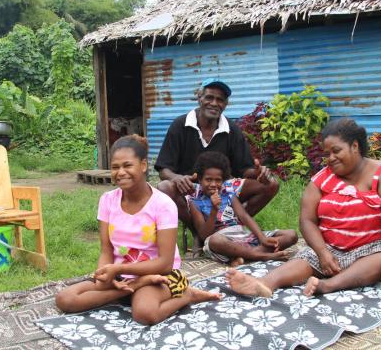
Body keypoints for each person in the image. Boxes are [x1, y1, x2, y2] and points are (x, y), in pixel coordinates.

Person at [226, 118, 381, 298]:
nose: (330, 158)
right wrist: (322, 253)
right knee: (304, 258)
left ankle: (327, 285)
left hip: (373, 249)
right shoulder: (321, 179)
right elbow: (307, 220)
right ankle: (265, 283)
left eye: (336, 151)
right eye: (327, 153)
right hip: (330, 249)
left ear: (355, 146)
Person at [55, 135, 220, 324]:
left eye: (127, 165)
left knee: (144, 314)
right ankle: (125, 291)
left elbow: (165, 263)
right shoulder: (108, 200)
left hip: (160, 275)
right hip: (120, 275)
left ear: (142, 166)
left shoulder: (163, 204)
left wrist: (121, 269)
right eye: (115, 167)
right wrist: (106, 275)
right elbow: (106, 250)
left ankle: (187, 295)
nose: (121, 172)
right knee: (65, 299)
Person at [155, 78, 278, 233]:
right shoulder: (180, 125)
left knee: (271, 184)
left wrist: (259, 173)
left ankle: (229, 228)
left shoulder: (232, 130)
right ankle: (200, 233)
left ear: (225, 105)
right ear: (200, 98)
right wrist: (177, 178)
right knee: (164, 187)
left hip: (222, 188)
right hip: (190, 189)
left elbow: (245, 170)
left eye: (220, 100)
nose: (214, 103)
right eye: (209, 97)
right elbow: (163, 169)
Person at [189, 151, 298, 266]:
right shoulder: (195, 203)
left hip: (242, 236)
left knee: (291, 235)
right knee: (215, 241)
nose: (213, 184)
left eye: (218, 180)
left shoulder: (229, 195)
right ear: (200, 180)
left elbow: (244, 216)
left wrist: (262, 238)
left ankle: (244, 256)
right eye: (208, 179)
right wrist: (214, 210)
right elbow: (204, 235)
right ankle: (262, 256)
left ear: (223, 180)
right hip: (223, 240)